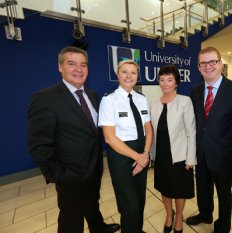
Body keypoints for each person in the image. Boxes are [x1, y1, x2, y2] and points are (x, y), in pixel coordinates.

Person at [28, 46, 120, 233]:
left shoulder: (92, 95)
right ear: (60, 67)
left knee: (92, 204)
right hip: (69, 175)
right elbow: (38, 144)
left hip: (94, 169)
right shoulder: (45, 98)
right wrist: (59, 176)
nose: (79, 69)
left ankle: (98, 228)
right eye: (72, 64)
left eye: (83, 65)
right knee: (71, 220)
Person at [186, 47, 232, 233]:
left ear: (220, 63)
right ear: (198, 67)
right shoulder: (195, 91)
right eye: (203, 63)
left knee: (223, 193)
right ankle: (205, 214)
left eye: (212, 61)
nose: (208, 66)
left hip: (224, 154)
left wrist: (223, 141)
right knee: (203, 189)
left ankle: (223, 225)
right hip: (201, 153)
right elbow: (197, 122)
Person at [98, 59, 153, 233]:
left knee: (140, 199)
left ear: (137, 76)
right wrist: (139, 158)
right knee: (129, 204)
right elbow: (109, 138)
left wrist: (144, 154)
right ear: (118, 75)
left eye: (133, 72)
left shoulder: (142, 99)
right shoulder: (109, 100)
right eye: (124, 72)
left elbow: (149, 131)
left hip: (141, 152)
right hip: (121, 155)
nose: (129, 76)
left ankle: (137, 229)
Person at [149, 65, 196, 233]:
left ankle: (179, 217)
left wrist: (191, 159)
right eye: (162, 80)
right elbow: (151, 132)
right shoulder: (153, 104)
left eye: (170, 80)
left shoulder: (185, 101)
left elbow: (191, 132)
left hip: (180, 156)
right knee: (164, 188)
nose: (165, 83)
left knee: (179, 190)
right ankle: (169, 215)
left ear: (176, 82)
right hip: (161, 156)